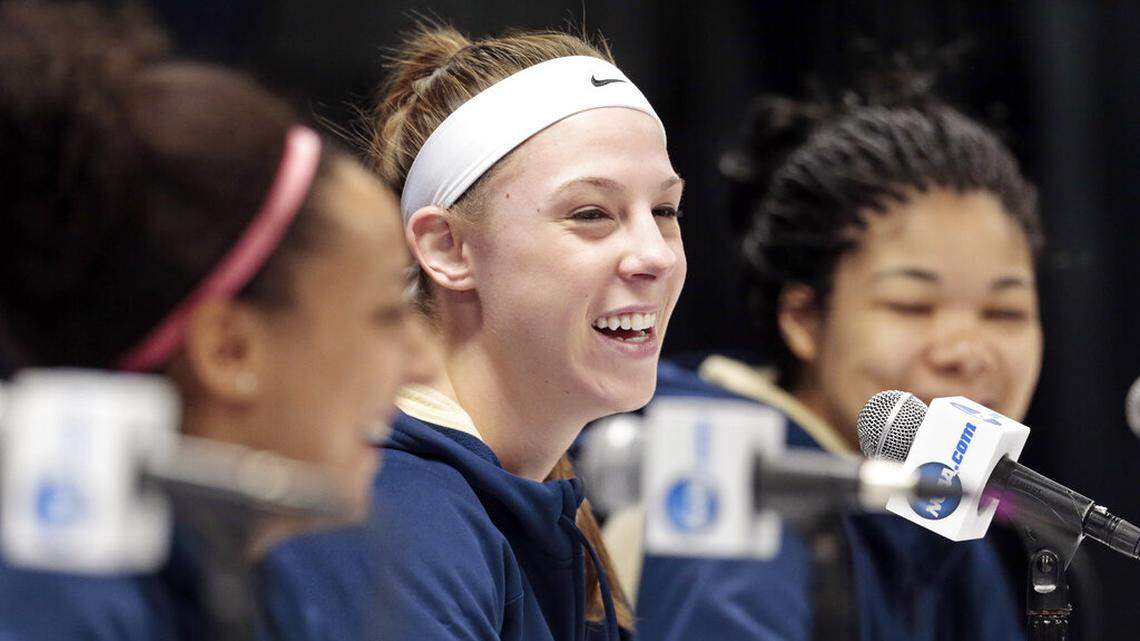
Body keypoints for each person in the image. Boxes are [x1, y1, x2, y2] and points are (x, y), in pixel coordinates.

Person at [0, 3, 423, 638]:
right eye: (387, 314)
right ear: (229, 350)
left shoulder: (236, 592)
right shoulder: (63, 617)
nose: (420, 359)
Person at [260, 24, 685, 641]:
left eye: (666, 212)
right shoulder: (396, 513)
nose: (656, 255)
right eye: (591, 214)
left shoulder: (520, 508)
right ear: (447, 247)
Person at [605, 81, 1043, 641]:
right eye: (912, 305)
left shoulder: (940, 507)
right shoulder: (726, 503)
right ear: (804, 318)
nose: (967, 351)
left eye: (1005, 311)